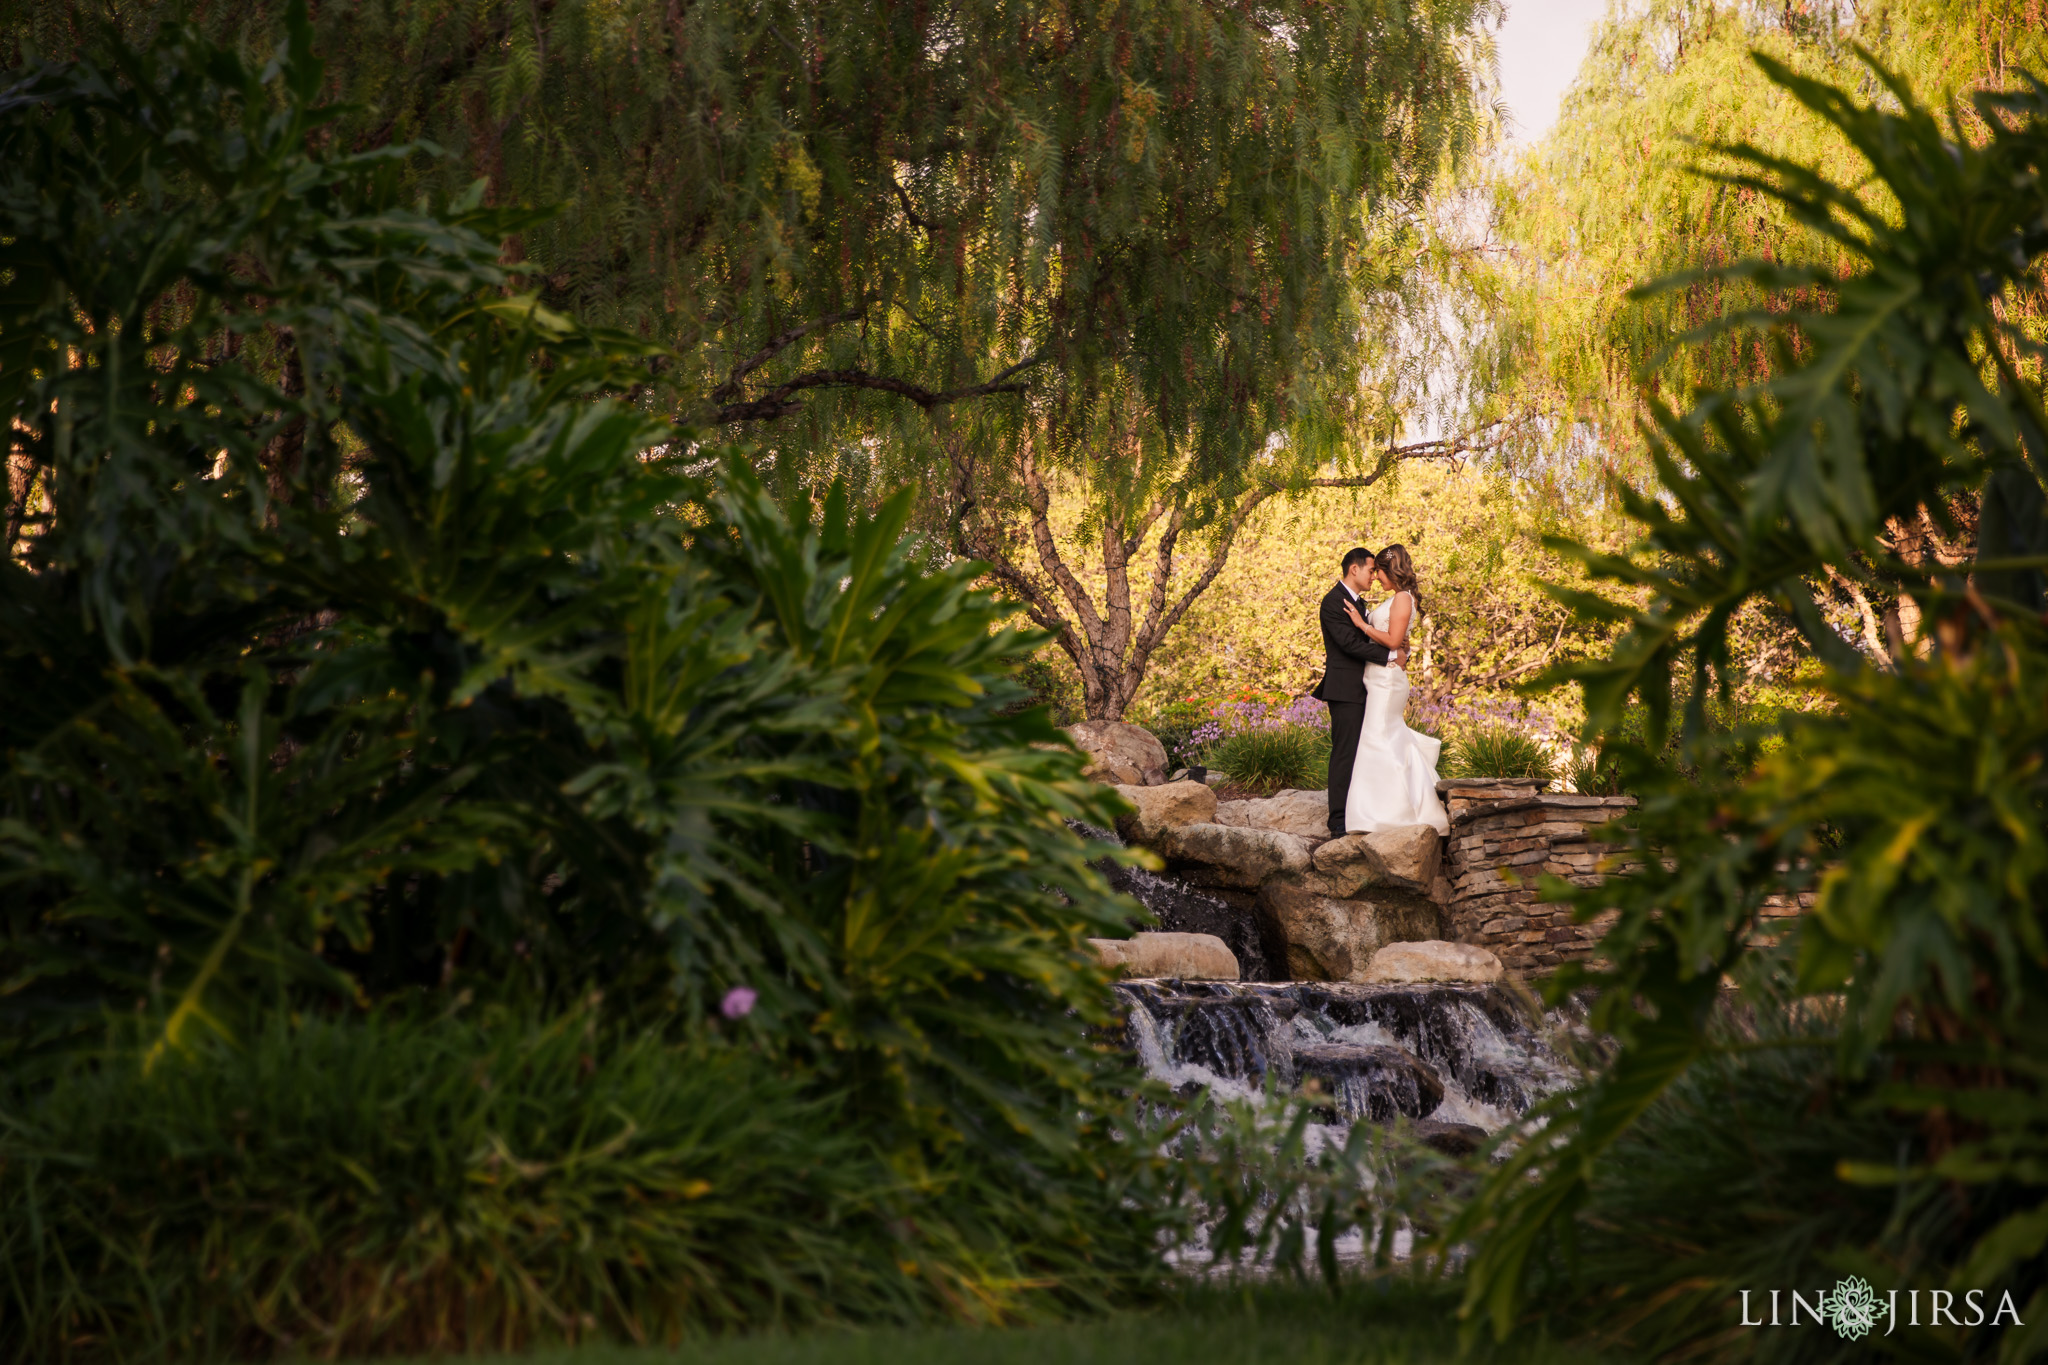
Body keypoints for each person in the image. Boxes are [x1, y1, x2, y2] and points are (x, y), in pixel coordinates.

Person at [1338, 544, 1449, 836]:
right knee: (1381, 738)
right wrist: (1404, 651)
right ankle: (1382, 808)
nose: (1375, 577)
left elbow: (1392, 640)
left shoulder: (1402, 598)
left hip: (1387, 682)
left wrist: (1362, 624)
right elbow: (1400, 644)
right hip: (1378, 677)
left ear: (1391, 571)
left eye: (1379, 571)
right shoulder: (1399, 598)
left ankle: (1384, 814)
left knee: (1378, 738)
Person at [1311, 547, 1396, 839]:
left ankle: (1361, 811)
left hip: (1367, 688)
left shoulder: (1359, 603)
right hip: (1345, 689)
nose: (1375, 575)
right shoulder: (1333, 602)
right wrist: (1390, 655)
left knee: (1365, 753)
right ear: (1354, 570)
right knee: (1345, 754)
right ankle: (1337, 822)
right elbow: (1348, 644)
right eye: (1371, 570)